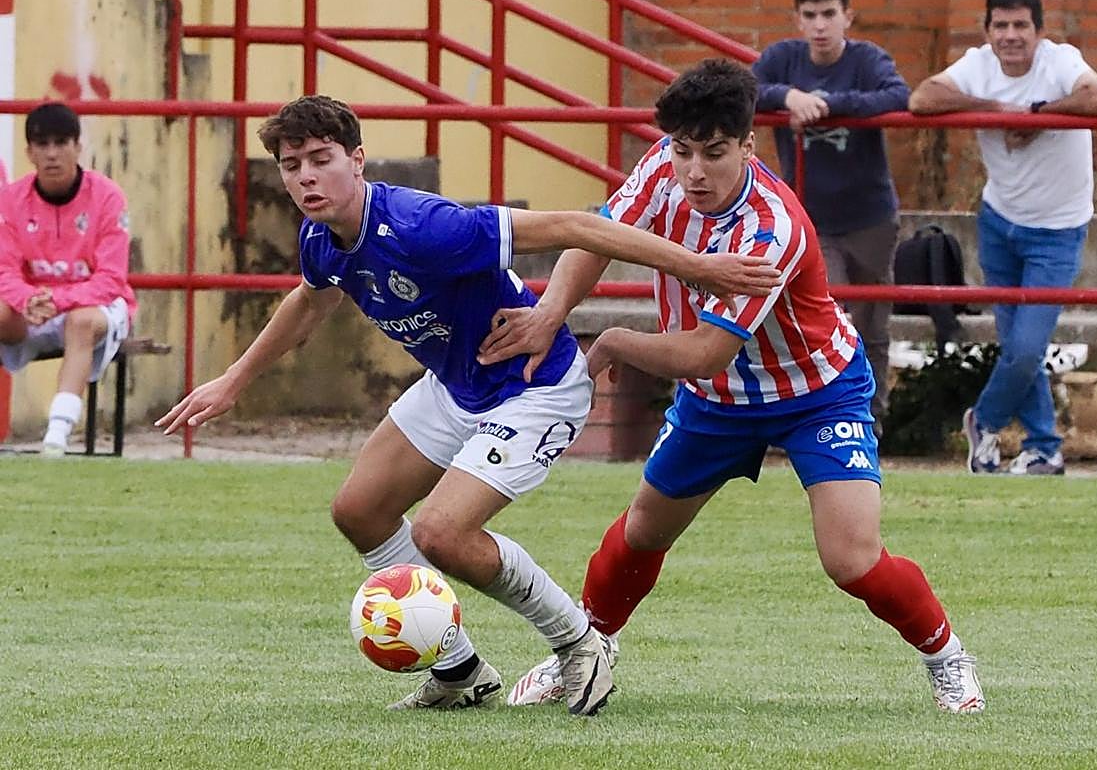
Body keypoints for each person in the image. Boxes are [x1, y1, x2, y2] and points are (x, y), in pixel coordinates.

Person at [155, 94, 779, 717]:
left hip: (535, 389)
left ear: (359, 160)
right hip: (457, 386)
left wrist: (699, 267)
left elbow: (576, 227)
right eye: (294, 166)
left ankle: (580, 644)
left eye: (323, 159)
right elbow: (311, 301)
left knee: (441, 532)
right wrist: (233, 381)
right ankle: (459, 674)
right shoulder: (322, 236)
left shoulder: (424, 226)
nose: (308, 177)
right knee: (360, 510)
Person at [480, 59, 985, 713]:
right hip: (718, 404)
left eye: (714, 154)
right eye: (685, 151)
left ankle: (948, 658)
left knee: (851, 558)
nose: (694, 171)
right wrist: (550, 314)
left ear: (748, 145)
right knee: (641, 532)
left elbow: (705, 352)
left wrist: (610, 342)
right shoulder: (663, 167)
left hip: (815, 393)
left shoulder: (769, 227)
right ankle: (585, 651)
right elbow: (599, 236)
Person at [908, 0, 1097, 476]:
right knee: (1019, 346)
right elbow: (922, 97)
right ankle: (1044, 446)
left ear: (1040, 32)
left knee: (1026, 348)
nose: (1010, 36)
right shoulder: (978, 64)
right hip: (999, 222)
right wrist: (997, 110)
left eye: (1021, 25)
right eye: (1000, 26)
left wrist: (1038, 116)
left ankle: (984, 421)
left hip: (1058, 229)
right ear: (987, 32)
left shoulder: (1060, 61)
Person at [752, 0, 910, 434]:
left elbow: (897, 96)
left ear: (847, 16)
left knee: (872, 323)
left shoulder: (867, 59)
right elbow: (747, 90)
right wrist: (788, 97)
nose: (820, 25)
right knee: (829, 314)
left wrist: (827, 106)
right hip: (809, 219)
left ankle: (871, 420)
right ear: (798, 20)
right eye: (810, 15)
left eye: (829, 14)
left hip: (870, 215)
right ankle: (827, 416)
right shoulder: (783, 59)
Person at [0, 102, 136, 456]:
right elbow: (4, 269)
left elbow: (111, 278)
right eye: (42, 144)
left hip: (95, 308)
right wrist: (27, 300)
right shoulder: (11, 200)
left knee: (81, 322)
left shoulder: (108, 197)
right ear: (29, 151)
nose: (52, 154)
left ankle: (57, 435)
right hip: (31, 307)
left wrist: (56, 301)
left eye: (61, 143)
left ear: (79, 146)